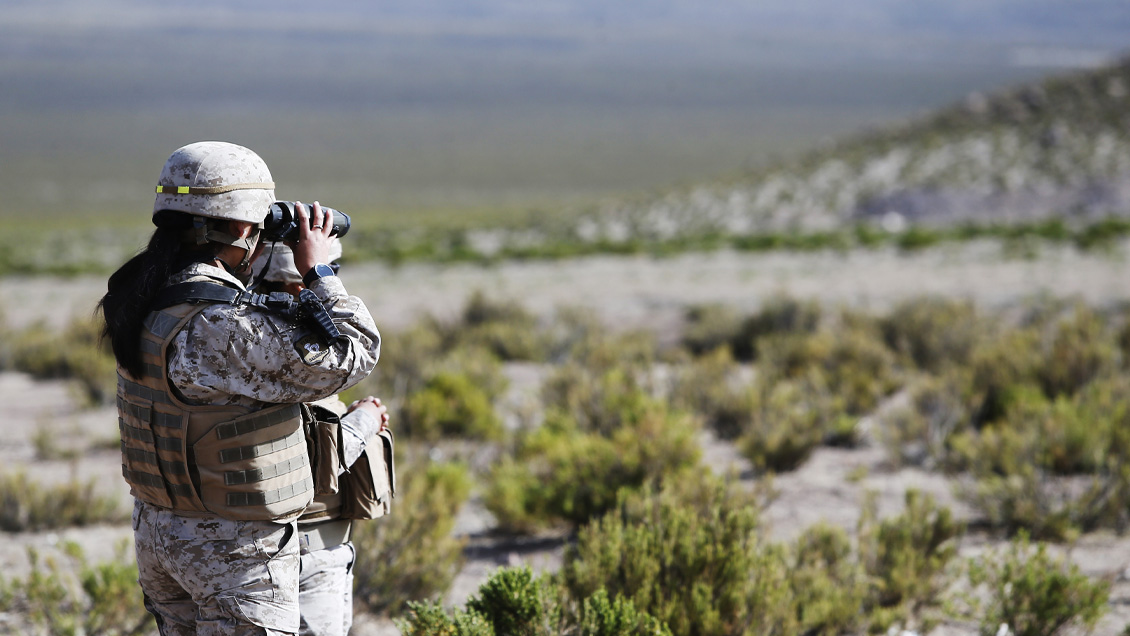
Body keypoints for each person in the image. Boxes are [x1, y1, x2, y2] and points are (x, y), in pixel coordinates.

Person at [98, 141, 381, 635]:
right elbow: (352, 353)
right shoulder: (220, 326)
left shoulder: (142, 296)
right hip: (232, 552)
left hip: (164, 535)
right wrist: (319, 270)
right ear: (244, 227)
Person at [253, 242, 391, 636]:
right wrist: (365, 421)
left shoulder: (244, 342)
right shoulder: (283, 356)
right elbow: (309, 465)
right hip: (307, 550)